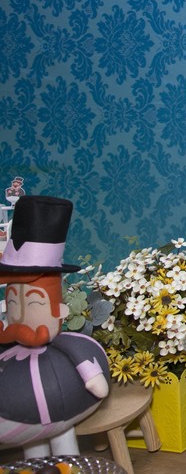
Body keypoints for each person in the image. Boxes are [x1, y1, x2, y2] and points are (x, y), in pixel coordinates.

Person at [0, 196, 110, 458]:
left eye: (34, 303)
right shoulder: (8, 351)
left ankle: (67, 463)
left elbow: (92, 375)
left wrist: (93, 377)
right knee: (34, 453)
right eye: (13, 303)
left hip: (59, 411)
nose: (22, 315)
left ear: (59, 310)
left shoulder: (69, 345)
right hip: (24, 419)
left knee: (63, 440)